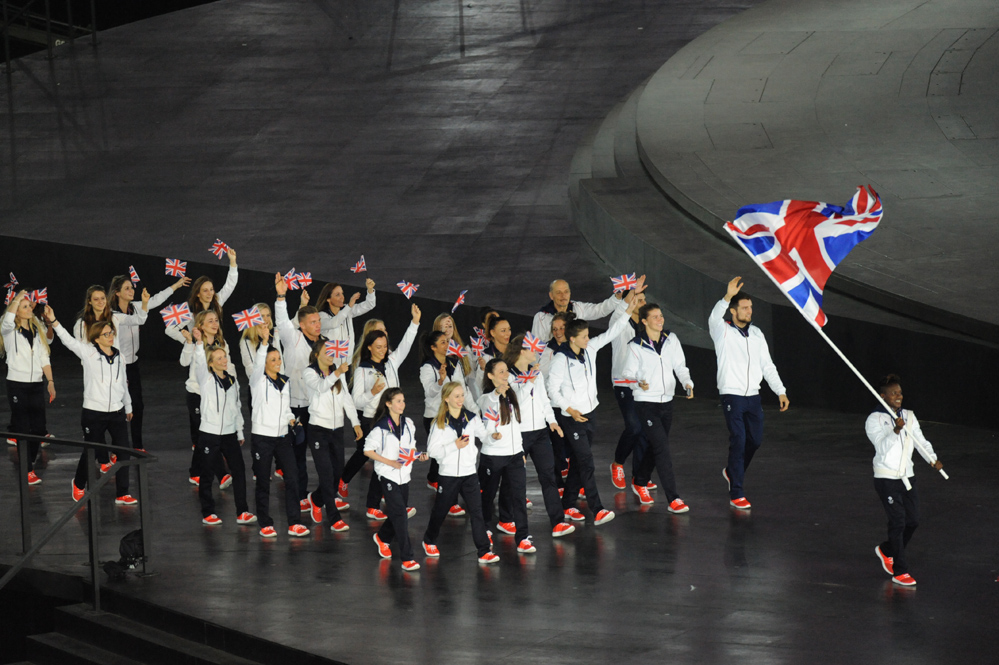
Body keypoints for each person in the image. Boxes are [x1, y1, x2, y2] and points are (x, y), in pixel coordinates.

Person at [547, 296, 638, 525]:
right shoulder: (560, 359)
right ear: (572, 338)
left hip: (590, 414)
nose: (589, 339)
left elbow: (612, 332)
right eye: (584, 336)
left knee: (579, 462)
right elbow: (552, 389)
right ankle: (597, 509)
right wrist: (569, 410)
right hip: (572, 418)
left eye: (588, 335)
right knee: (587, 462)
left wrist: (628, 310)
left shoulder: (590, 349)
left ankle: (568, 505)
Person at [709, 277, 788, 510]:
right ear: (733, 311)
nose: (749, 311)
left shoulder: (757, 334)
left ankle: (732, 471)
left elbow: (767, 365)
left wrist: (780, 391)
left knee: (755, 440)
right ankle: (736, 492)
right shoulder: (722, 330)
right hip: (731, 394)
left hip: (753, 396)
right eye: (744, 308)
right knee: (739, 439)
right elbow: (714, 317)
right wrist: (726, 296)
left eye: (750, 307)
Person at [47, 305, 136, 506]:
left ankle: (122, 493)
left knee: (123, 451)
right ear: (96, 338)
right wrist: (54, 321)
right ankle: (78, 483)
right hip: (94, 413)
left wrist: (128, 406)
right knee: (91, 451)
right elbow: (68, 341)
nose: (110, 336)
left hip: (117, 412)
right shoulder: (88, 353)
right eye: (106, 334)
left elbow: (123, 383)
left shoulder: (120, 357)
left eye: (111, 333)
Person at [343, 305, 420, 520]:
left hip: (394, 418)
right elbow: (356, 400)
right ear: (369, 347)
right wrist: (372, 392)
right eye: (378, 347)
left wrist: (415, 322)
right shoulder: (362, 369)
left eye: (385, 346)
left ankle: (394, 504)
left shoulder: (392, 362)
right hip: (373, 421)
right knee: (383, 462)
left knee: (395, 460)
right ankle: (373, 505)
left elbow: (405, 345)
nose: (383, 350)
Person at [867, 374, 944, 587]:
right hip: (886, 478)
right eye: (893, 393)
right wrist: (895, 430)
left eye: (900, 393)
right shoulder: (874, 419)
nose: (899, 396)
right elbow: (881, 448)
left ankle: (887, 550)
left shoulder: (909, 416)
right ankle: (900, 571)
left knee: (913, 520)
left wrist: (932, 458)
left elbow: (920, 441)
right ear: (883, 396)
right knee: (898, 522)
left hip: (907, 476)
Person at [620, 302, 694, 512]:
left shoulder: (671, 339)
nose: (660, 320)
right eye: (655, 317)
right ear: (644, 321)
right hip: (646, 403)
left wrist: (687, 383)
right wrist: (638, 383)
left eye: (661, 316)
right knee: (662, 448)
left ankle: (640, 481)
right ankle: (673, 498)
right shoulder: (635, 345)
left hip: (667, 401)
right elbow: (627, 373)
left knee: (656, 446)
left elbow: (680, 366)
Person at [501, 335, 575, 538]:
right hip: (519, 433)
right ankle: (505, 518)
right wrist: (529, 382)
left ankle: (558, 522)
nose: (537, 352)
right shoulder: (508, 376)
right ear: (522, 351)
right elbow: (513, 402)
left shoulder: (537, 373)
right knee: (513, 478)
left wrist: (552, 421)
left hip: (541, 432)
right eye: (532, 349)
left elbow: (544, 400)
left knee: (548, 475)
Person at [109, 273, 190, 452]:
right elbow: (139, 320)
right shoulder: (111, 314)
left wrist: (175, 286)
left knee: (137, 405)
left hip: (132, 365)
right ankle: (117, 448)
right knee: (117, 407)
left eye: (132, 287)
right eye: (127, 288)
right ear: (117, 293)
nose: (132, 290)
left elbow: (156, 299)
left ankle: (137, 445)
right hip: (116, 366)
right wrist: (145, 305)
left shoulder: (136, 307)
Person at [422, 381, 499, 563]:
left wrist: (493, 437)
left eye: (462, 395)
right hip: (448, 475)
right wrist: (454, 446)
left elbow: (484, 436)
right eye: (456, 396)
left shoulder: (472, 419)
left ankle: (483, 551)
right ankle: (429, 540)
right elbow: (432, 451)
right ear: (446, 398)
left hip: (469, 473)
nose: (460, 399)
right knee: (440, 510)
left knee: (477, 511)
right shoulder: (439, 423)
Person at [246, 325, 309, 537]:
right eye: (272, 360)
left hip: (283, 437)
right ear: (264, 363)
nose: (277, 362)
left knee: (292, 478)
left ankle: (294, 523)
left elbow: (286, 408)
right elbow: (257, 364)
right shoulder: (257, 380)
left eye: (278, 359)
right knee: (263, 481)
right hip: (262, 438)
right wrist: (265, 342)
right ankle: (265, 523)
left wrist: (291, 419)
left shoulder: (284, 381)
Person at [191, 328, 256, 527]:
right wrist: (199, 343)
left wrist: (239, 430)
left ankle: (242, 511)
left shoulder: (232, 380)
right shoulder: (206, 378)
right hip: (209, 433)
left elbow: (236, 406)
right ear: (210, 363)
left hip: (229, 434)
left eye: (224, 356)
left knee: (239, 470)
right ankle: (208, 512)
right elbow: (199, 360)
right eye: (218, 358)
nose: (224, 360)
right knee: (207, 473)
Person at [274, 274, 326, 512]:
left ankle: (325, 495)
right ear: (302, 325)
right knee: (298, 454)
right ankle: (300, 494)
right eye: (313, 322)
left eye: (318, 321)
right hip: (295, 405)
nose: (318, 325)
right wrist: (281, 296)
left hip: (318, 406)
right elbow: (282, 321)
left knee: (323, 454)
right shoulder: (292, 338)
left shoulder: (325, 343)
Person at [303, 338, 362, 533]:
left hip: (337, 430)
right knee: (326, 475)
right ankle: (334, 517)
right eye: (326, 351)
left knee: (337, 474)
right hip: (318, 430)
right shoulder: (309, 372)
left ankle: (316, 499)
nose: (331, 355)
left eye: (332, 351)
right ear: (317, 354)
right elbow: (321, 386)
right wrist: (337, 373)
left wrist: (355, 423)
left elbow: (346, 397)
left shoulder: (337, 371)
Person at [364, 388, 426, 571]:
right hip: (388, 476)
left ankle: (382, 537)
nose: (402, 404)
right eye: (398, 401)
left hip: (404, 475)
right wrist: (389, 462)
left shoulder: (408, 424)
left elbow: (411, 448)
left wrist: (418, 455)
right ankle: (407, 558)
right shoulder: (381, 428)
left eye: (403, 400)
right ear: (388, 404)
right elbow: (367, 450)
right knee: (400, 516)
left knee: (397, 514)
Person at [477, 359, 535, 554]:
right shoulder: (486, 398)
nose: (505, 375)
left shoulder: (512, 395)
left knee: (518, 496)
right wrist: (497, 393)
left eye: (506, 371)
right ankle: (485, 528)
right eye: (500, 372)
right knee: (487, 496)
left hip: (514, 456)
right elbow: (489, 403)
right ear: (490, 375)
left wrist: (520, 451)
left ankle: (523, 537)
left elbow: (516, 425)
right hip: (493, 456)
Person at [419, 330, 474, 518]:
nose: (447, 345)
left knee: (450, 455)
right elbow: (429, 393)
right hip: (436, 417)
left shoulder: (454, 362)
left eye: (447, 341)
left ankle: (435, 481)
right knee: (446, 458)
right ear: (433, 347)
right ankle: (450, 501)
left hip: (454, 416)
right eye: (442, 342)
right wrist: (441, 380)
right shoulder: (427, 367)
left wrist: (474, 412)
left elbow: (462, 388)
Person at [2, 291, 54, 485]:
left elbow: (44, 357)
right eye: (24, 306)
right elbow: (7, 321)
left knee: (39, 429)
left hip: (36, 385)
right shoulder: (9, 331)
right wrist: (16, 299)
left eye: (29, 306)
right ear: (16, 311)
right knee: (23, 428)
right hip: (17, 384)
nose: (30, 308)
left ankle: (29, 461)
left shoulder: (37, 330)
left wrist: (50, 381)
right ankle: (27, 469)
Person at [179, 311, 232, 489]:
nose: (215, 324)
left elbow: (227, 367)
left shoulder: (222, 344)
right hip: (196, 395)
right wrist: (189, 342)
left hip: (214, 395)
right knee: (207, 433)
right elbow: (184, 362)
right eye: (210, 321)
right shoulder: (195, 344)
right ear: (200, 325)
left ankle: (195, 472)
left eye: (216, 320)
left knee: (203, 436)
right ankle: (222, 474)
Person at [608, 289, 651, 492]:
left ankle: (639, 476)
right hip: (623, 383)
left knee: (644, 430)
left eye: (644, 300)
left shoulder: (646, 325)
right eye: (639, 300)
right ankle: (617, 463)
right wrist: (627, 299)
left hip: (643, 384)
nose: (643, 304)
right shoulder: (619, 323)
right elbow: (618, 314)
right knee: (634, 427)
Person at [531, 277, 641, 343]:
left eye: (566, 292)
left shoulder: (577, 307)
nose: (563, 296)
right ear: (551, 295)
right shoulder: (541, 317)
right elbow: (536, 348)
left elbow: (600, 310)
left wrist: (617, 297)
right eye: (558, 292)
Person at [165, 248, 239, 344]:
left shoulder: (217, 301)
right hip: (198, 348)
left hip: (215, 347)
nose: (210, 293)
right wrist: (188, 341)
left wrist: (232, 261)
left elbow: (230, 285)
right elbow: (169, 330)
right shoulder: (188, 309)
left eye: (211, 289)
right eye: (205, 290)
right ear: (198, 293)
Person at [316, 278, 377, 358]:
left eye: (342, 293)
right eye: (337, 295)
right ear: (328, 299)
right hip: (329, 362)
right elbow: (334, 323)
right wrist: (349, 306)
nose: (342, 297)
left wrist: (370, 290)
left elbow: (369, 305)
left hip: (347, 362)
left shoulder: (347, 310)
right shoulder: (321, 316)